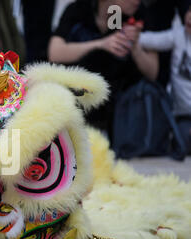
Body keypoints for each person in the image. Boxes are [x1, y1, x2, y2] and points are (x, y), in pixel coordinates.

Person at [48, 0, 158, 139]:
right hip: (79, 108)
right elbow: (55, 53)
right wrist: (100, 44)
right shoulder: (80, 10)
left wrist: (135, 46)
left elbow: (152, 72)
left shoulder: (134, 14)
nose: (136, 1)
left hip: (121, 115)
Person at [138, 7, 191, 152]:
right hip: (183, 115)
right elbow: (151, 40)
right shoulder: (178, 35)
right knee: (182, 140)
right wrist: (131, 35)